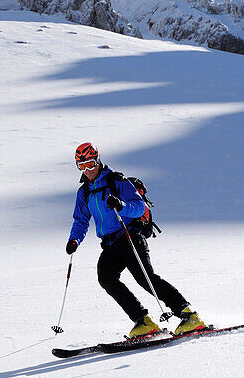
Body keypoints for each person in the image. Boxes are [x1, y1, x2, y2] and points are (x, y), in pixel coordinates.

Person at [66, 142, 205, 339]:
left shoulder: (117, 181)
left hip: (130, 236)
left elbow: (139, 207)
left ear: (98, 160)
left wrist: (121, 205)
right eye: (82, 166)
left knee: (146, 278)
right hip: (109, 243)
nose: (87, 170)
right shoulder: (84, 192)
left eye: (90, 163)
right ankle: (143, 321)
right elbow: (80, 220)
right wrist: (74, 240)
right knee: (106, 278)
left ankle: (188, 315)